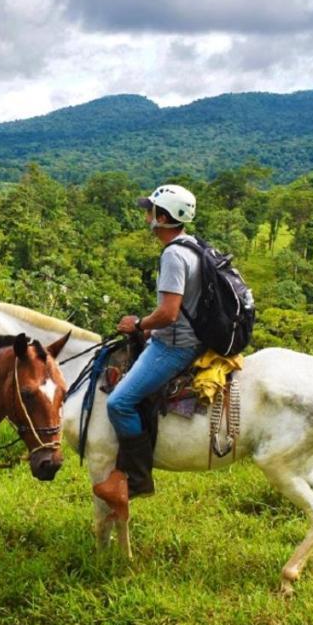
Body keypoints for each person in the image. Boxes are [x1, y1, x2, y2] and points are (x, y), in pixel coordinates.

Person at [94, 184, 202, 506]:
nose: (146, 217)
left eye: (150, 211)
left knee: (119, 403)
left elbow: (168, 313)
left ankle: (138, 480)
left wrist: (138, 324)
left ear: (163, 217)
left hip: (175, 346)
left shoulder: (172, 255)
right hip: (188, 336)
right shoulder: (193, 246)